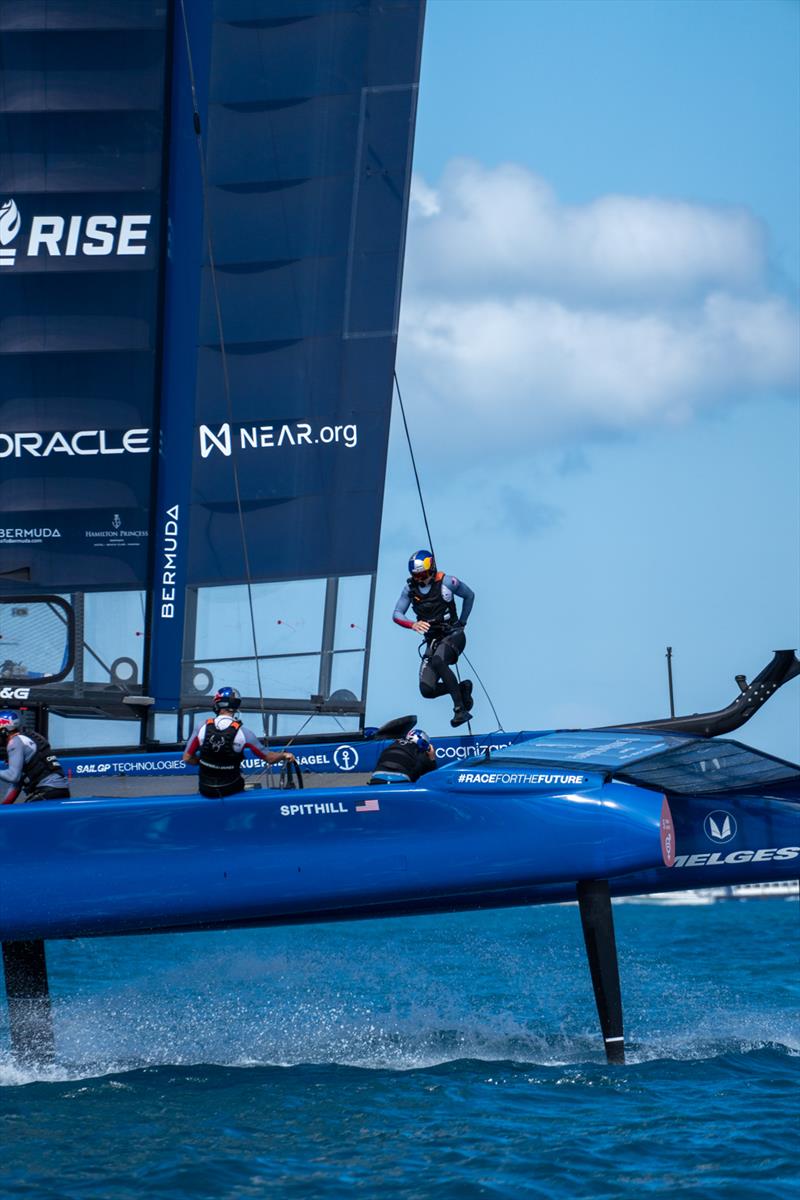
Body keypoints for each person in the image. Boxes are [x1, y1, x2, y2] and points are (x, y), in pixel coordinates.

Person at [393, 550, 475, 727]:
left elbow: (469, 595)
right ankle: (462, 688)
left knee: (438, 660)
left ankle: (460, 711)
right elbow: (397, 613)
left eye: (423, 574)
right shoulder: (410, 589)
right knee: (427, 690)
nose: (420, 579)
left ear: (431, 568)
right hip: (433, 641)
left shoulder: (447, 582)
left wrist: (462, 621)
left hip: (454, 636)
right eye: (416, 575)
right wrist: (412, 625)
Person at [182, 686, 296, 798]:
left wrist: (203, 762)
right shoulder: (245, 733)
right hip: (231, 788)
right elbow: (270, 758)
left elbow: (187, 758)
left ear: (217, 704)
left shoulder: (201, 727)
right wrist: (284, 755)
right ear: (236, 706)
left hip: (206, 789)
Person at [0, 710, 71, 804]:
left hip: (47, 791)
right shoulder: (28, 738)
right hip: (60, 790)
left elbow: (13, 777)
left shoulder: (15, 742)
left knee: (23, 818)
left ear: (4, 730)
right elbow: (16, 786)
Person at [369, 728, 438, 785]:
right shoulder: (418, 750)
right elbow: (432, 775)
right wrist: (432, 758)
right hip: (399, 782)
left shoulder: (392, 745)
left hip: (376, 778)